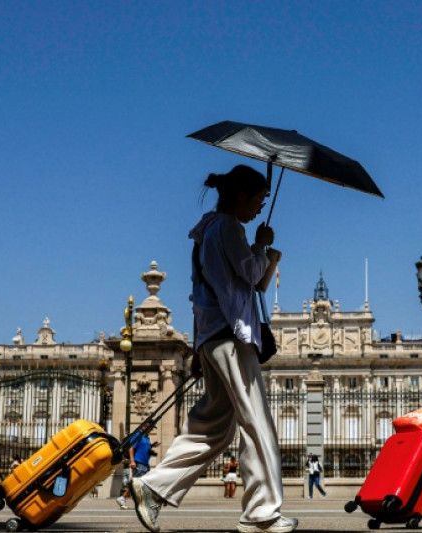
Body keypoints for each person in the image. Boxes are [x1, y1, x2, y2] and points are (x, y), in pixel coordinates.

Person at [131, 165, 295, 533]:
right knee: (257, 422)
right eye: (258, 200)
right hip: (232, 337)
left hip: (212, 336)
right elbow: (250, 275)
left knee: (213, 428)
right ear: (240, 196)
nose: (260, 208)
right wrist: (261, 246)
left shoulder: (206, 231)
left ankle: (154, 487)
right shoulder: (227, 227)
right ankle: (262, 512)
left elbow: (222, 290)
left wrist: (197, 346)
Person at [118, 433, 159, 510]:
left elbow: (144, 448)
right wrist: (132, 461)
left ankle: (123, 498)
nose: (151, 430)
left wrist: (152, 445)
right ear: (145, 427)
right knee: (136, 483)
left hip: (145, 464)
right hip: (139, 463)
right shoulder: (138, 435)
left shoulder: (146, 438)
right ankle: (124, 498)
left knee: (141, 483)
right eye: (150, 428)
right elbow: (131, 447)